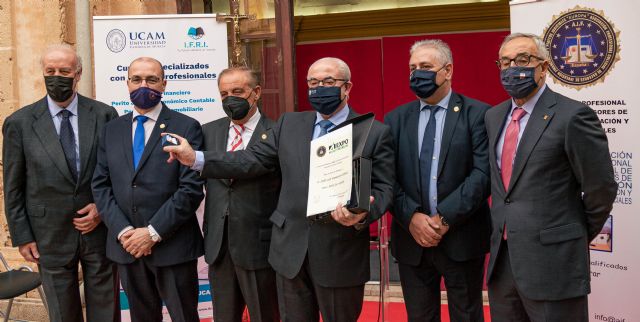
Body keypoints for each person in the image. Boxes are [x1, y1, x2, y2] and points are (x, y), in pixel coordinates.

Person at [163, 57, 394, 322]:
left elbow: (384, 188)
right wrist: (196, 158)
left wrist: (363, 212)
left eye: (328, 82)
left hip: (338, 253)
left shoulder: (374, 132)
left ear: (347, 87)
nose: (319, 88)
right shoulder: (289, 125)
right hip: (289, 253)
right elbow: (251, 159)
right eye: (313, 82)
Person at [485, 33, 617, 322]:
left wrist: (572, 235)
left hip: (554, 264)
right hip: (503, 264)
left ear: (543, 68)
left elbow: (601, 188)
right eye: (505, 62)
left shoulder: (573, 116)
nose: (512, 68)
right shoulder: (493, 117)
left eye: (522, 60)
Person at [2, 44, 119, 322]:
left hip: (98, 230)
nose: (57, 76)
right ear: (43, 73)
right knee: (62, 312)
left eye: (64, 71)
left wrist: (102, 209)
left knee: (106, 307)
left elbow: (117, 173)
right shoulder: (19, 123)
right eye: (50, 71)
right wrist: (23, 235)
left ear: (77, 74)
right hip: (47, 235)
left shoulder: (104, 115)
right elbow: (13, 185)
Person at [384, 39, 491, 322]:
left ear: (448, 70)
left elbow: (482, 175)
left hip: (461, 237)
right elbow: (386, 178)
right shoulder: (395, 119)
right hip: (411, 240)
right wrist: (411, 218)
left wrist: (443, 219)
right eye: (412, 68)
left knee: (467, 315)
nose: (417, 73)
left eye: (426, 67)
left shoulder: (478, 115)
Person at [91, 57, 205, 322]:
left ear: (164, 84)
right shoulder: (111, 130)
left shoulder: (186, 127)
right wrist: (125, 232)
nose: (144, 85)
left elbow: (190, 190)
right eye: (137, 79)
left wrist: (152, 233)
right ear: (127, 83)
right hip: (127, 247)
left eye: (151, 80)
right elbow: (101, 185)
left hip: (172, 246)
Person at [203, 67, 280, 322]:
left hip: (259, 247)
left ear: (256, 92)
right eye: (224, 93)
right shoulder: (207, 132)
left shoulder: (277, 132)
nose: (229, 99)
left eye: (237, 91)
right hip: (219, 246)